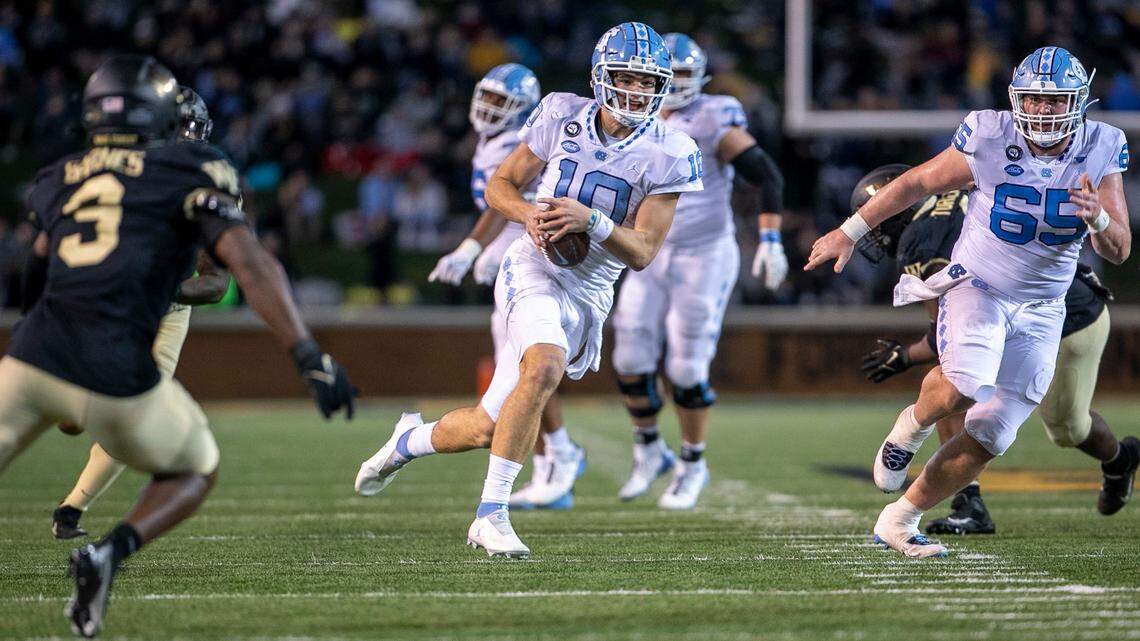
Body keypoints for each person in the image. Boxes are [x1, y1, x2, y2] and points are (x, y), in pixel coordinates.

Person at [0, 55, 355, 638]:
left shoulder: (62, 173)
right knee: (196, 466)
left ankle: (76, 508)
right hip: (114, 363)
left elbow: (33, 266)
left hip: (32, 355)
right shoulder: (194, 168)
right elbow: (248, 261)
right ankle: (107, 553)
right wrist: (307, 353)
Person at [355, 22, 702, 558]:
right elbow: (502, 185)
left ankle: (407, 441)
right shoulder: (563, 112)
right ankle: (491, 515)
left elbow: (644, 251)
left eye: (645, 81)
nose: (635, 91)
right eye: (624, 78)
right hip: (533, 265)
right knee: (543, 366)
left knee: (484, 427)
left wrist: (593, 222)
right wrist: (529, 217)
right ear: (600, 77)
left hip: (591, 288)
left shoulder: (673, 149)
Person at [806, 46, 1131, 558]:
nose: (1043, 111)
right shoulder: (989, 134)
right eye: (1033, 99)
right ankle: (910, 426)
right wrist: (849, 231)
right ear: (1015, 98)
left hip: (1045, 307)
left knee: (993, 433)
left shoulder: (1102, 145)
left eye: (1054, 101)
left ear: (1078, 101)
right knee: (962, 385)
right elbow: (915, 180)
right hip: (980, 284)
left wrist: (1098, 219)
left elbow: (1119, 248)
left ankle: (898, 520)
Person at [854, 164, 1138, 533]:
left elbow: (944, 339)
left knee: (1067, 427)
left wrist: (906, 356)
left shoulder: (922, 240)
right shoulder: (960, 195)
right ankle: (964, 500)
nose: (876, 229)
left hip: (1068, 319)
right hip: (1024, 311)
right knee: (964, 382)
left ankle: (1119, 460)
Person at [49, 85, 232, 540]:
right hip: (114, 301)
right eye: (182, 129)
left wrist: (162, 287)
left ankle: (71, 509)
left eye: (194, 130)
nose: (190, 140)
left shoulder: (210, 181)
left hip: (167, 308)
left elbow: (214, 284)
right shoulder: (117, 174)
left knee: (136, 412)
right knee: (69, 413)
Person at [611, 33, 786, 509]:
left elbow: (766, 173)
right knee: (629, 356)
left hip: (702, 252)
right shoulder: (628, 117)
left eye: (687, 76)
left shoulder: (712, 116)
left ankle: (693, 461)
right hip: (647, 249)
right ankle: (648, 449)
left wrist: (770, 240)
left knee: (685, 365)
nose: (678, 86)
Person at [428, 63, 584, 510]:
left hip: (533, 265)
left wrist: (476, 248)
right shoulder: (490, 143)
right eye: (488, 97)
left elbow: (512, 204)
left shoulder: (519, 145)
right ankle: (555, 459)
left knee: (526, 372)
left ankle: (559, 455)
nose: (489, 108)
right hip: (517, 266)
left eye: (501, 101)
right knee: (526, 372)